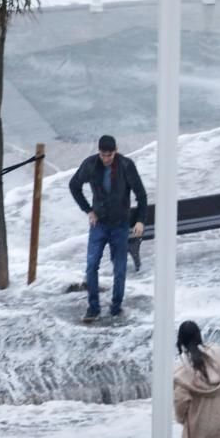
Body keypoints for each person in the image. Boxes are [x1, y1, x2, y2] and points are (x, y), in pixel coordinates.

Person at [69, 134, 148, 321]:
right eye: (103, 155)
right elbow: (74, 186)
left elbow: (141, 195)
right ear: (99, 152)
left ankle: (116, 307)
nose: (106, 159)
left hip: (120, 225)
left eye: (110, 155)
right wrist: (88, 210)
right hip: (99, 224)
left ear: (116, 151)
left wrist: (140, 221)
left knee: (119, 269)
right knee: (91, 266)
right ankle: (93, 307)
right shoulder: (90, 165)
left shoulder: (126, 166)